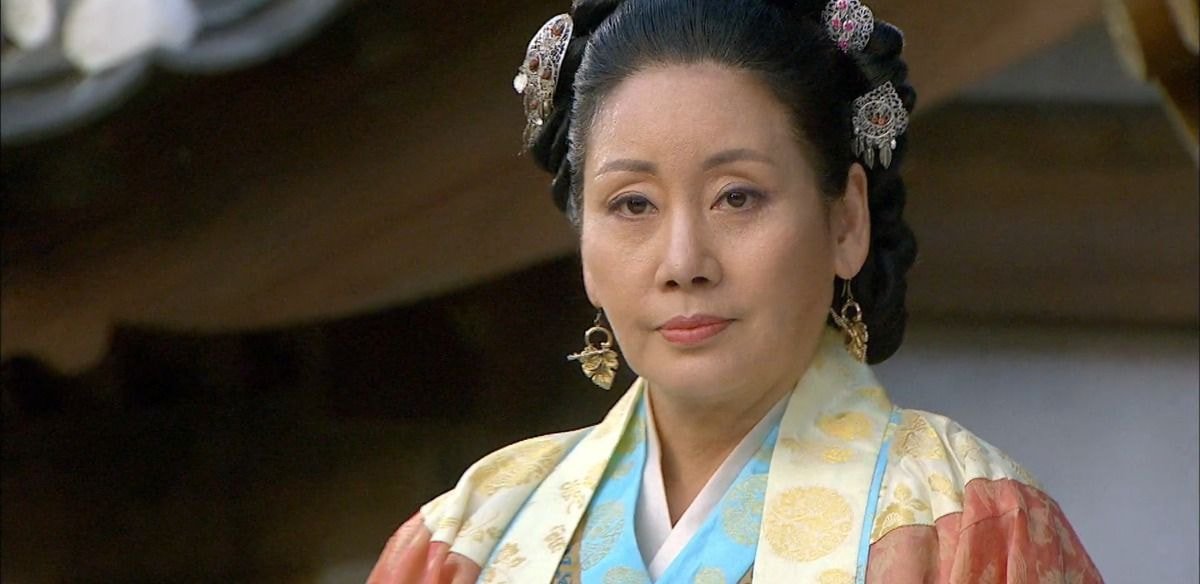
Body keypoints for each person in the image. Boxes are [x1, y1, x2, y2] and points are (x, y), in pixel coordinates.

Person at [368, 0, 1103, 582]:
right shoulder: (467, 541)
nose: (683, 262)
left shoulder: (965, 525)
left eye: (738, 197)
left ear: (845, 220)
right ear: (584, 244)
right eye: (632, 205)